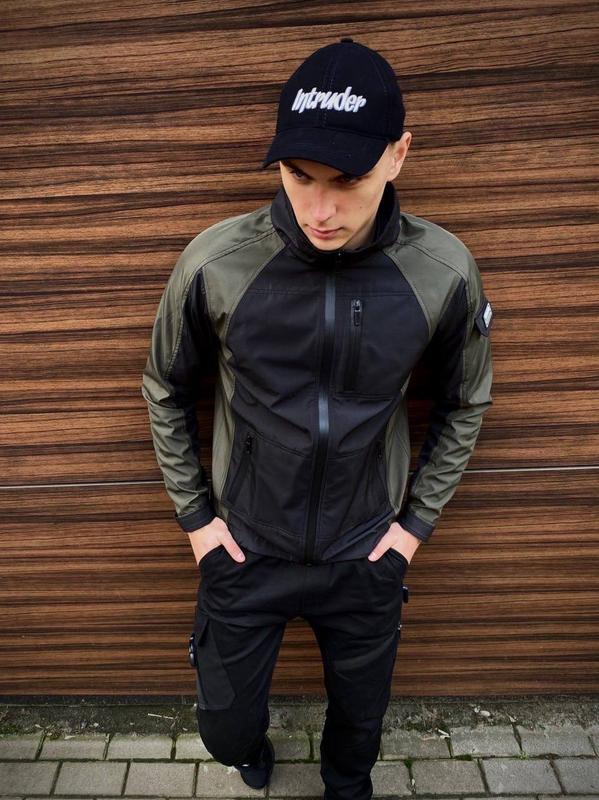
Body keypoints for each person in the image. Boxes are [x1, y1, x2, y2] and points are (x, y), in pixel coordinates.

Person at [141, 37, 493, 800]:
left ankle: (343, 783)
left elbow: (466, 400)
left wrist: (410, 531)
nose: (320, 210)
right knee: (224, 734)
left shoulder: (441, 270)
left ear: (398, 155)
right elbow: (164, 387)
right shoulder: (215, 262)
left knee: (359, 738)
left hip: (365, 551)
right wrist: (198, 524)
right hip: (245, 548)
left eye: (348, 180)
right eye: (299, 176)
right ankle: (247, 746)